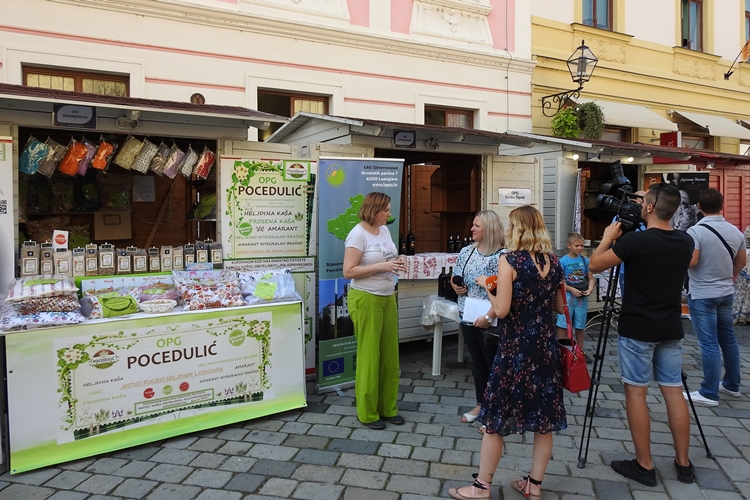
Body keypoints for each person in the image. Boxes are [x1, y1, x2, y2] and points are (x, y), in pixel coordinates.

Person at [448, 205, 565, 500]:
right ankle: (534, 485)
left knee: (495, 417)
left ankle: (480, 487)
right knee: (543, 419)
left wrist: (490, 287)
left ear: (518, 229)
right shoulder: (554, 261)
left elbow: (501, 309)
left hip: (515, 346)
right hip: (545, 345)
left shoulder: (509, 259)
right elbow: (559, 307)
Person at [589, 182, 695, 486]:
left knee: (636, 392)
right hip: (670, 327)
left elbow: (595, 265)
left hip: (637, 327)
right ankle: (683, 463)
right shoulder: (685, 242)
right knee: (673, 391)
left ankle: (644, 465)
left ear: (649, 207)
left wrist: (608, 238)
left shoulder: (635, 243)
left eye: (643, 201)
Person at [343, 192, 407, 430]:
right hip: (366, 298)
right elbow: (348, 271)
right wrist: (383, 265)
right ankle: (368, 413)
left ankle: (388, 408)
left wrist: (396, 262)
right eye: (386, 210)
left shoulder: (385, 230)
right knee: (370, 356)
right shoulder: (357, 235)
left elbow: (387, 256)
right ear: (374, 210)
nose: (389, 214)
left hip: (388, 296)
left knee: (390, 356)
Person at [683, 189, 746, 406]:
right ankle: (731, 385)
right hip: (726, 291)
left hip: (702, 293)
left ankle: (709, 392)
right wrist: (728, 276)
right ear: (722, 205)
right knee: (728, 340)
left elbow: (692, 261)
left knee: (708, 342)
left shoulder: (695, 231)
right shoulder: (735, 231)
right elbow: (741, 261)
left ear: (699, 206)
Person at [450, 210, 505, 424]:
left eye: (477, 225)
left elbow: (503, 289)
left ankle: (498, 409)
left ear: (489, 229)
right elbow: (457, 276)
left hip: (491, 318)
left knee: (494, 364)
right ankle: (481, 404)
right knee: (479, 363)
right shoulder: (467, 251)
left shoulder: (503, 256)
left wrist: (489, 316)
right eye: (473, 224)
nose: (472, 228)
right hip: (468, 315)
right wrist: (456, 286)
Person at [555, 232, 594, 357]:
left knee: (580, 324)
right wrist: (571, 289)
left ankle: (580, 351)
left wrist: (590, 289)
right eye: (577, 245)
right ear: (569, 245)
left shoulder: (585, 260)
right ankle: (562, 349)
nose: (580, 248)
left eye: (582, 246)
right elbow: (560, 282)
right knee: (563, 322)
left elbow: (591, 278)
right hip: (567, 297)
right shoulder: (563, 261)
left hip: (581, 298)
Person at [733, 225, 750, 324]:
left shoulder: (749, 229)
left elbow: (745, 243)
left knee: (744, 288)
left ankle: (743, 314)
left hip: (748, 260)